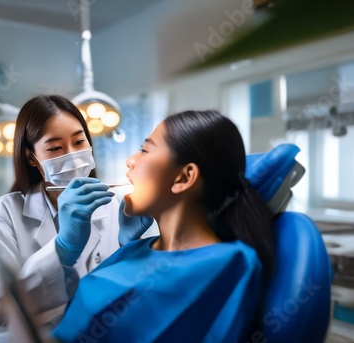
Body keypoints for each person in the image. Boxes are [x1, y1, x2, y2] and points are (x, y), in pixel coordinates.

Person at [52, 110, 275, 342]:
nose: (130, 161)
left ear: (183, 178)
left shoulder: (229, 263)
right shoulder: (134, 249)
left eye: (146, 150)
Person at [0, 95, 152, 342]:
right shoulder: (1, 214)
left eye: (79, 142)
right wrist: (61, 249)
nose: (74, 156)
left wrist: (127, 248)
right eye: (55, 148)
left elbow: (123, 297)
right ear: (32, 157)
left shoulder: (111, 208)